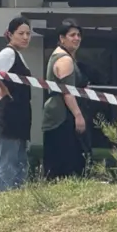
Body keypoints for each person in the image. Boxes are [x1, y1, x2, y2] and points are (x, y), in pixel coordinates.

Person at [0, 17, 34, 190]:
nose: (25, 37)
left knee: (20, 160)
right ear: (10, 34)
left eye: (28, 34)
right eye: (21, 33)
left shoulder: (18, 55)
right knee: (8, 161)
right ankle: (5, 196)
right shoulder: (8, 53)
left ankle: (17, 196)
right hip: (9, 114)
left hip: (20, 114)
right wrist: (2, 87)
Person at [41, 20, 88, 179]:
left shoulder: (65, 57)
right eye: (72, 35)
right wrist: (78, 115)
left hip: (60, 113)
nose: (77, 38)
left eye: (78, 35)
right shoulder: (64, 60)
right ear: (62, 38)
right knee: (65, 160)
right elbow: (67, 92)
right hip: (62, 116)